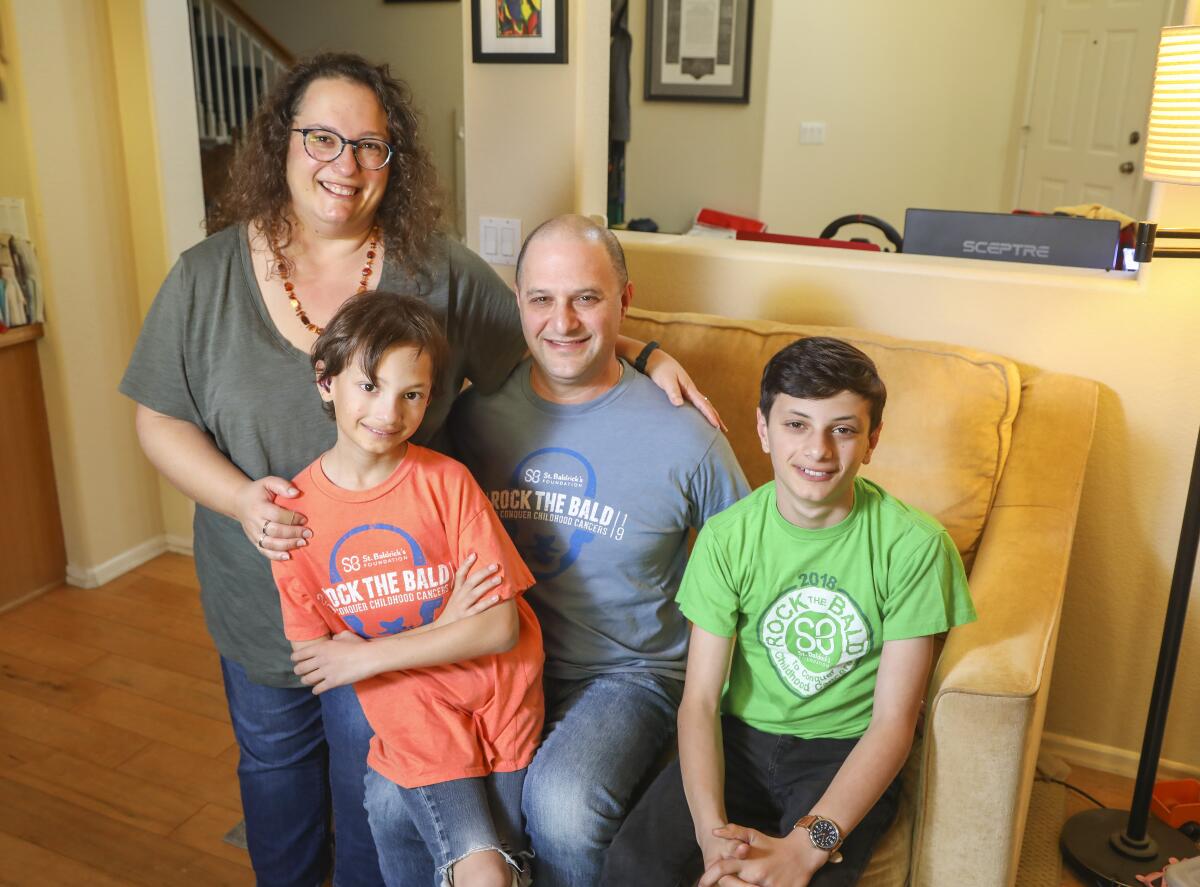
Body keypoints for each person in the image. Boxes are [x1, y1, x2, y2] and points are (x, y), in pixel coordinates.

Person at [119, 52, 715, 887]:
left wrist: (644, 350)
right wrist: (237, 499)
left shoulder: (438, 271)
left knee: (378, 796)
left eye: (370, 145)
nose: (345, 164)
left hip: (400, 620)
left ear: (393, 162)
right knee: (277, 780)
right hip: (262, 594)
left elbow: (553, 330)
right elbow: (159, 416)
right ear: (280, 145)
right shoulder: (205, 277)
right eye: (321, 138)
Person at [602, 337, 978, 887]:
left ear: (873, 440)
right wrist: (712, 837)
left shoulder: (914, 546)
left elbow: (894, 723)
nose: (818, 451)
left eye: (843, 429)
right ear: (763, 430)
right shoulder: (727, 537)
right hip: (739, 739)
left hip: (844, 747)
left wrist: (805, 850)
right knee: (633, 866)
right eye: (796, 425)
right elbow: (701, 701)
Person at [449, 214, 750, 887]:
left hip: (632, 671)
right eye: (541, 299)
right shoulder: (476, 413)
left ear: (624, 300)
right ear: (518, 303)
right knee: (399, 789)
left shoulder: (684, 433)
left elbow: (754, 563)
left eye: (587, 297)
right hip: (503, 655)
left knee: (562, 804)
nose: (563, 320)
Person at [272, 291, 542, 887]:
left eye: (411, 394)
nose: (389, 412)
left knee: (515, 856)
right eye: (370, 386)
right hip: (415, 712)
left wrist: (369, 654)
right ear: (326, 381)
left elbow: (499, 628)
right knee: (483, 871)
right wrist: (449, 621)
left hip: (501, 697)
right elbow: (320, 663)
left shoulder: (447, 483)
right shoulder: (295, 518)